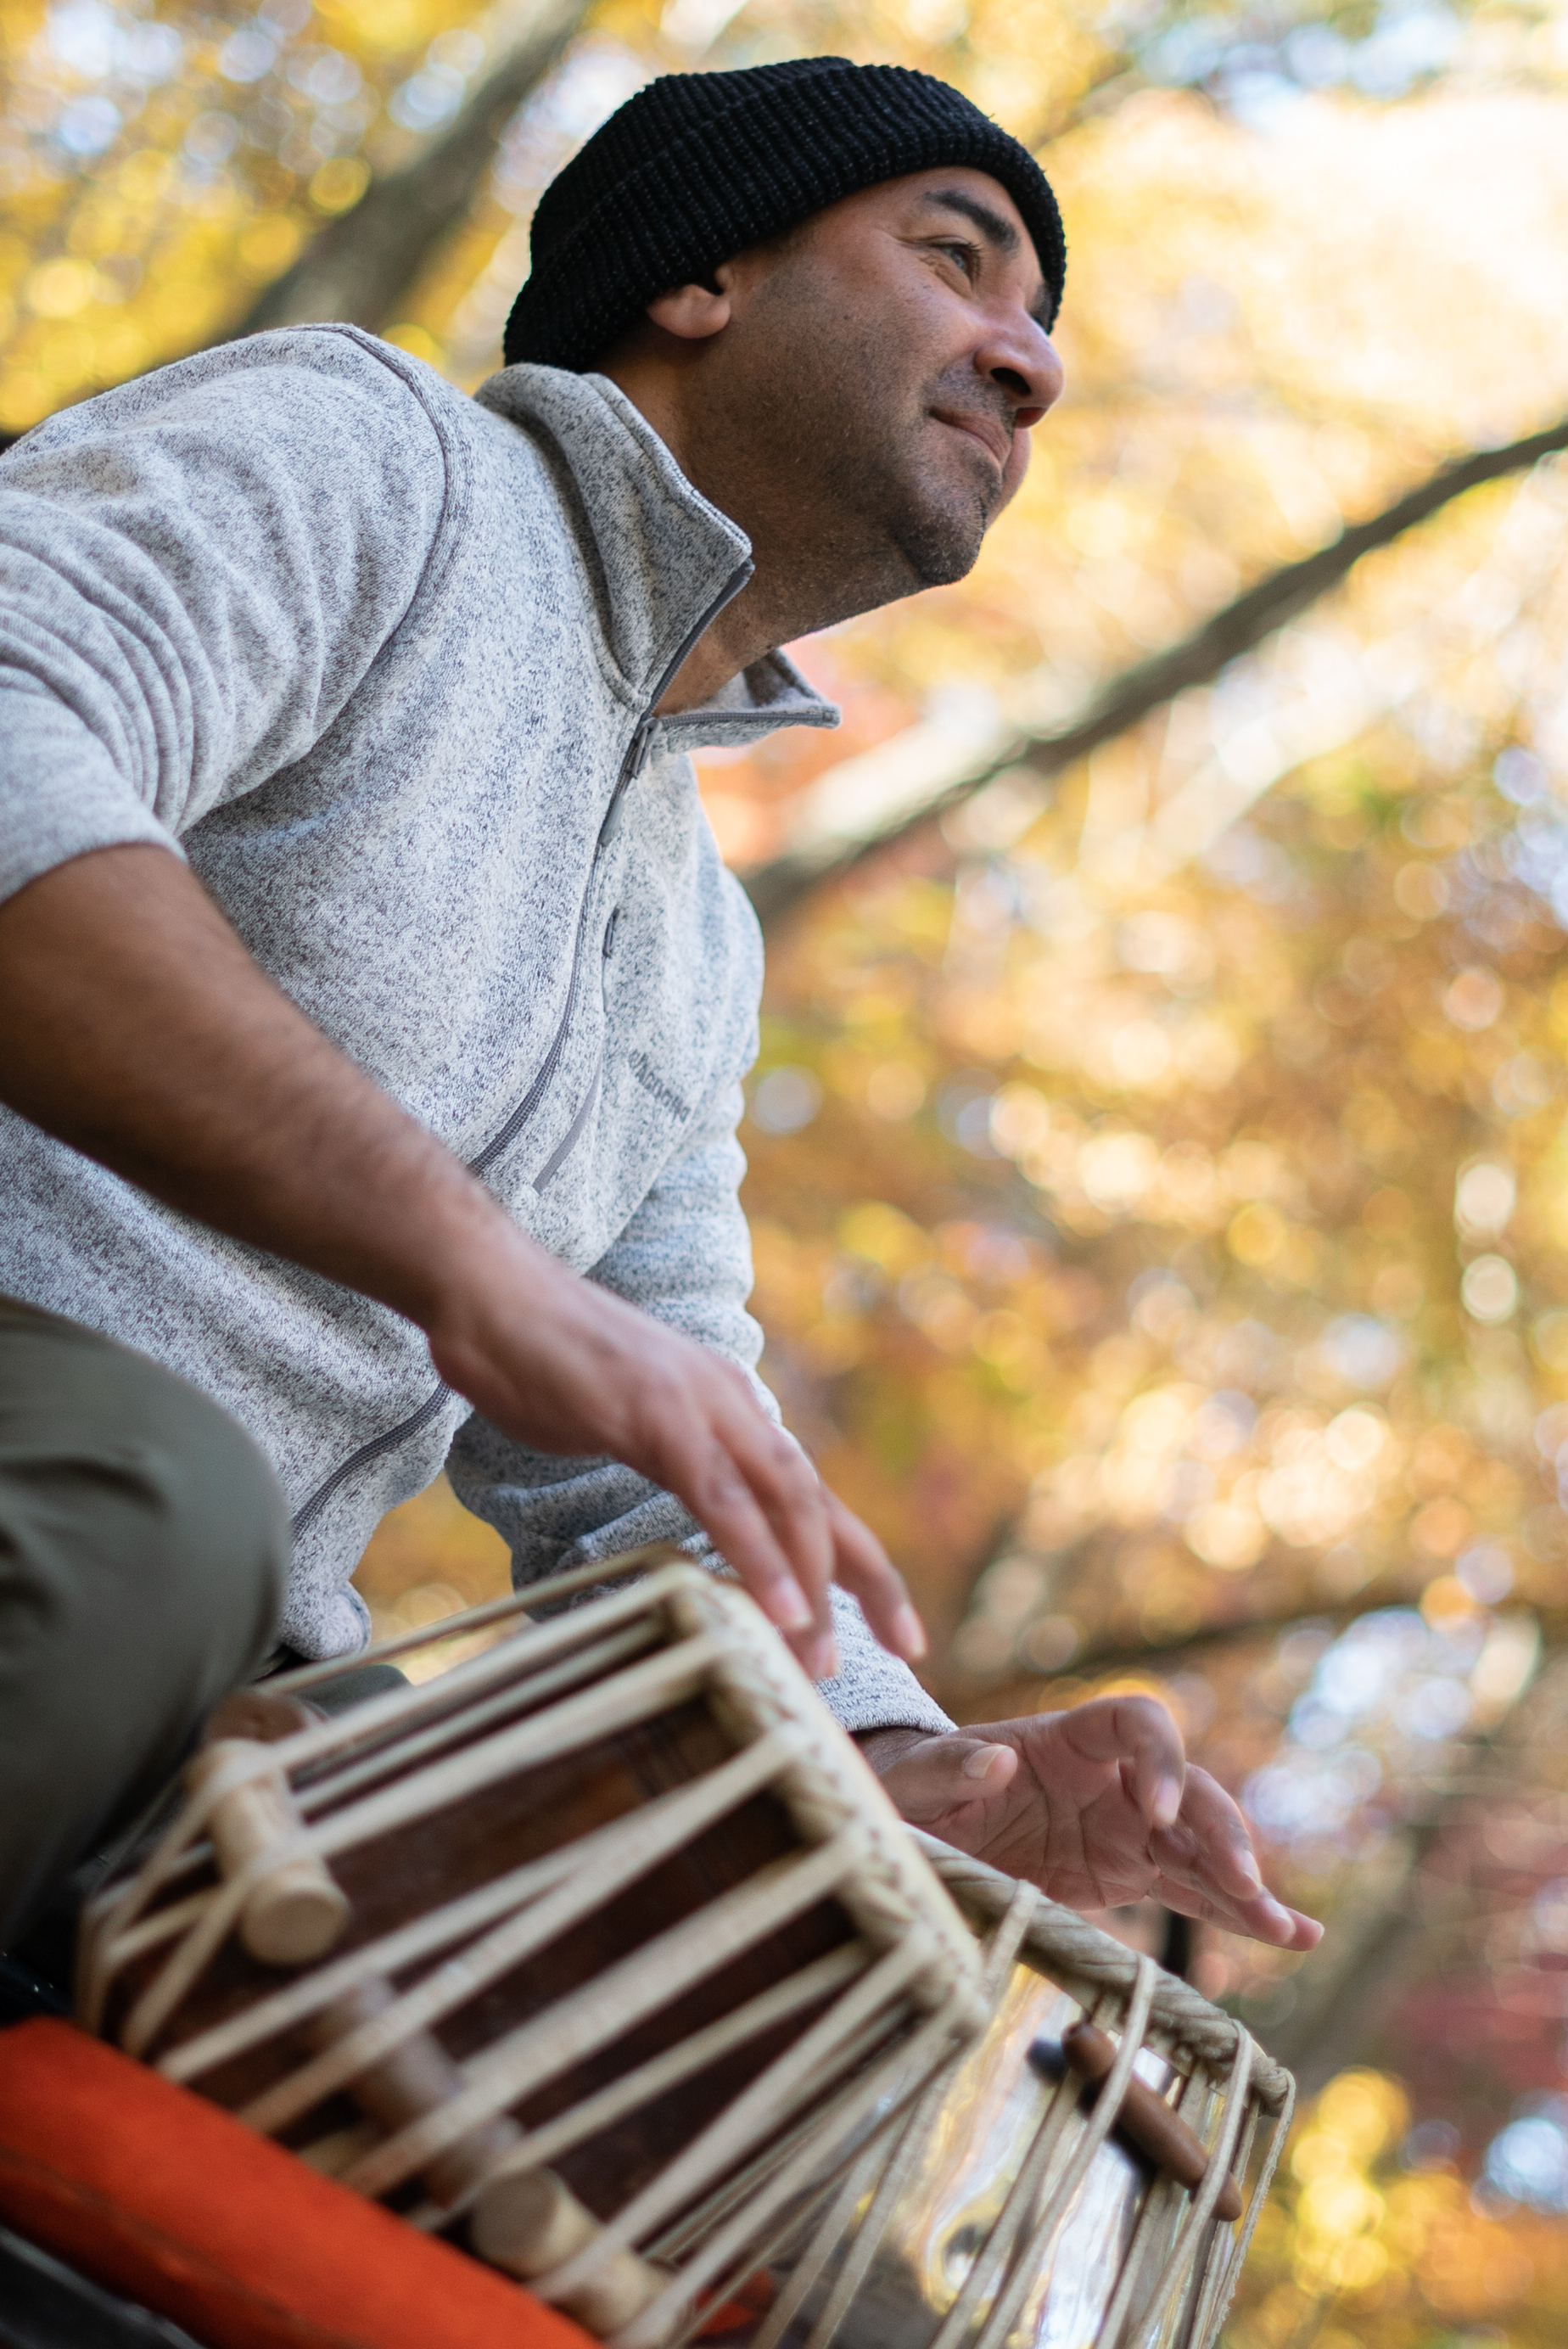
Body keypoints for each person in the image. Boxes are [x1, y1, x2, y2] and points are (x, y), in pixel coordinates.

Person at [0, 57, 1319, 1963]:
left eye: (1042, 324)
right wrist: (468, 1260)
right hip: (102, 1517)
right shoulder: (379, 455)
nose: (1029, 363)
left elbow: (641, 1446)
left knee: (585, 1948)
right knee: (164, 1515)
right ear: (702, 277)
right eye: (956, 261)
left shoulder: (695, 937)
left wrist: (910, 1764)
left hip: (195, 1659)